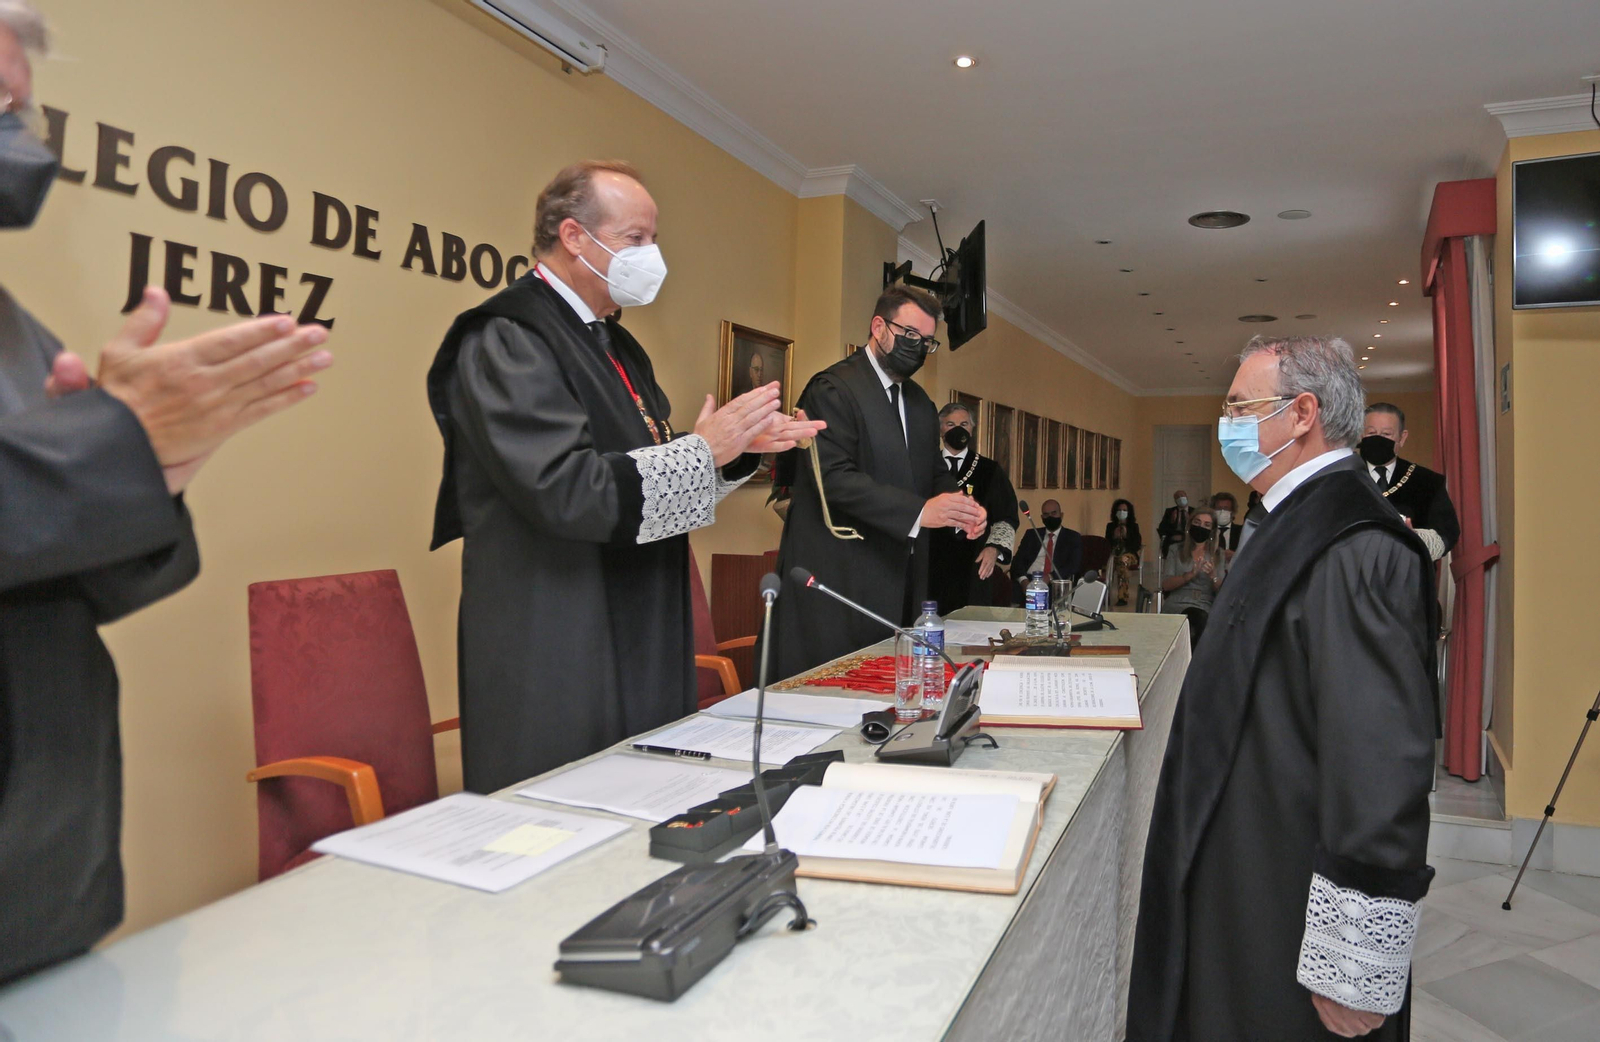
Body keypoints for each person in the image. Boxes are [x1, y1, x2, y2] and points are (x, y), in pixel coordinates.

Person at [0, 3, 334, 984]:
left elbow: (62, 578)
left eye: (17, 107)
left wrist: (153, 472)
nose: (15, 135)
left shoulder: (14, 325)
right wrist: (110, 451)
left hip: (47, 885)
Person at [428, 160, 822, 793]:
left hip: (638, 616)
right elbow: (566, 491)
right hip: (558, 630)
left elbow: (655, 489)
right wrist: (701, 451)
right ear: (574, 236)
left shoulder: (615, 345)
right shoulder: (508, 336)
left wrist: (735, 452)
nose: (652, 255)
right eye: (636, 238)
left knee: (645, 802)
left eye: (653, 239)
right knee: (567, 816)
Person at [1129, 335, 1436, 1041]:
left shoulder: (1356, 544)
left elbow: (1379, 765)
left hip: (1289, 889)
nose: (1227, 421)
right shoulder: (1293, 517)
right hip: (1249, 864)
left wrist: (1353, 965)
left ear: (1303, 413)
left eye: (1240, 405)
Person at [769, 285, 984, 678]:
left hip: (900, 577)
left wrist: (959, 506)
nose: (918, 348)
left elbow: (933, 470)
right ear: (879, 327)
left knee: (894, 688)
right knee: (835, 692)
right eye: (910, 336)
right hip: (839, 576)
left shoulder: (920, 403)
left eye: (928, 342)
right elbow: (833, 479)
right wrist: (921, 511)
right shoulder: (833, 388)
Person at [927, 402, 1018, 613]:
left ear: (972, 429)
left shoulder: (990, 470)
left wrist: (994, 548)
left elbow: (1007, 516)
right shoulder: (926, 467)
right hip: (929, 566)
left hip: (973, 567)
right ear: (940, 430)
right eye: (950, 424)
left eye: (964, 423)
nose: (958, 429)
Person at [1362, 402, 1459, 562]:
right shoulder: (1343, 476)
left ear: (1402, 437)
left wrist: (1415, 539)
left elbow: (1448, 532)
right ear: (1361, 435)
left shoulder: (1427, 482)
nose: (1378, 439)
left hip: (1410, 577)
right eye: (1371, 433)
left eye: (1386, 434)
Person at [1160, 507, 1223, 646]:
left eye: (1207, 525)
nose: (1201, 527)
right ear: (1189, 525)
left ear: (1212, 530)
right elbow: (1166, 585)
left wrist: (1213, 576)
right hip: (1178, 603)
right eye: (1197, 522)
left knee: (1199, 619)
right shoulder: (1175, 550)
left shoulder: (1218, 555)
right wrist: (1189, 575)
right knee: (1195, 621)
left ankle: (1190, 662)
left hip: (1204, 604)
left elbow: (1223, 591)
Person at [1010, 499, 1081, 596]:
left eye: (1054, 513)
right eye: (1046, 514)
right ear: (1042, 517)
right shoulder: (1032, 535)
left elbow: (1073, 565)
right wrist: (1023, 580)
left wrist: (1050, 577)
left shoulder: (1072, 537)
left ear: (1061, 515)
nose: (1050, 517)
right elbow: (1017, 561)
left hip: (1054, 582)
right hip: (1029, 580)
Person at [1105, 498, 1142, 606]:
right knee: (1105, 565)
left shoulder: (1134, 526)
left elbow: (1136, 545)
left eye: (1124, 510)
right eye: (1119, 510)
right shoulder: (1110, 526)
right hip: (1113, 555)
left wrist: (1126, 536)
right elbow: (1106, 544)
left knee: (1122, 563)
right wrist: (1114, 537)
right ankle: (1104, 595)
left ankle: (1122, 596)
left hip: (1129, 555)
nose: (1122, 512)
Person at [1156, 488, 1192, 556]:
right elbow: (1162, 528)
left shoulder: (1194, 511)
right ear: (1175, 501)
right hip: (1173, 539)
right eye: (1177, 497)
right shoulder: (1170, 511)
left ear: (1186, 497)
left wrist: (1190, 521)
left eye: (1182, 496)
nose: (1180, 498)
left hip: (1189, 539)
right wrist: (1171, 521)